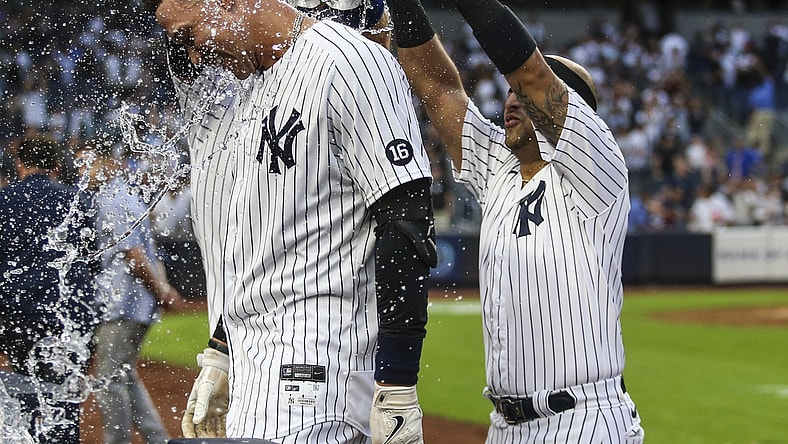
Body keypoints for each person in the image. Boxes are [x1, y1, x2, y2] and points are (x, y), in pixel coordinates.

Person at [148, 0, 436, 442]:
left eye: (189, 37)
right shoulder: (251, 89)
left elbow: (406, 221)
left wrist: (396, 382)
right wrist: (222, 354)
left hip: (316, 372)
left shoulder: (349, 61)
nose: (191, 57)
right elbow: (261, 253)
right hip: (258, 371)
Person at [384, 0, 644, 441]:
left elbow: (532, 75)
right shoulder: (499, 169)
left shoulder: (596, 168)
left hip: (583, 420)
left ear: (571, 112)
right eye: (507, 92)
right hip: (504, 426)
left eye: (521, 92)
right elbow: (436, 86)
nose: (511, 98)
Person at [76, 136, 190, 444]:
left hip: (124, 304)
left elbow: (136, 256)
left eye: (89, 164)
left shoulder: (111, 200)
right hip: (132, 303)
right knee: (123, 375)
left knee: (107, 379)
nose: (84, 172)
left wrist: (163, 292)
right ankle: (158, 439)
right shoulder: (125, 195)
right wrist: (161, 291)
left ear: (107, 164)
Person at [0, 135, 101, 443]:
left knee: (21, 388)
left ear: (19, 164)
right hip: (67, 312)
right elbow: (91, 261)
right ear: (57, 167)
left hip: (17, 312)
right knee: (64, 397)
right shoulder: (78, 199)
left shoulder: (3, 201)